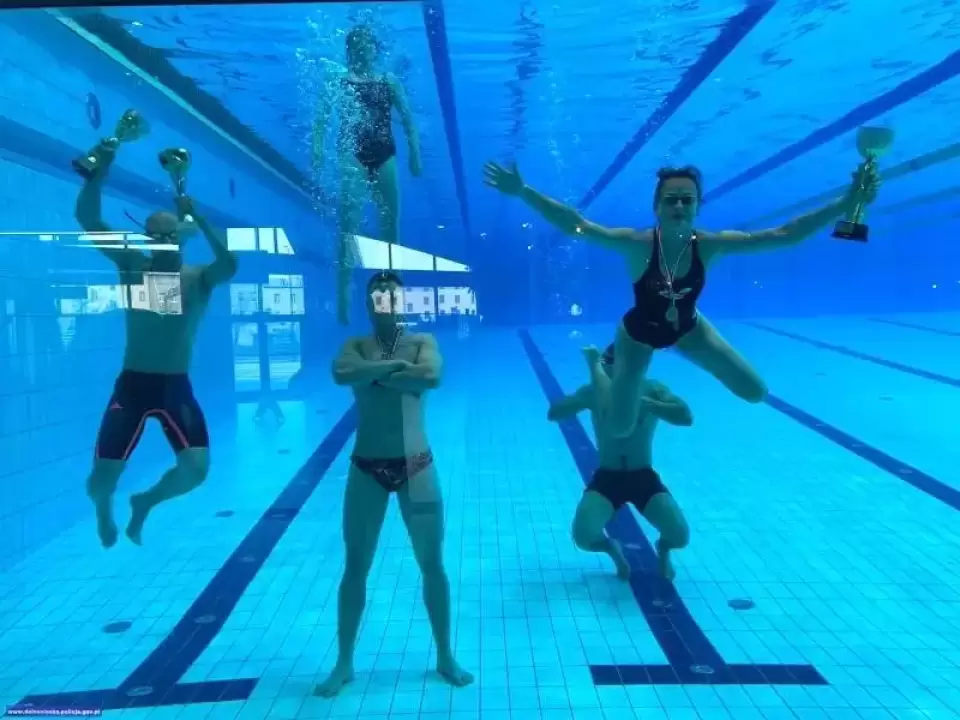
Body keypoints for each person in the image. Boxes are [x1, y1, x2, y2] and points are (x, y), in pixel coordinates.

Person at [484, 160, 880, 439]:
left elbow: (784, 236)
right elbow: (579, 226)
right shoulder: (637, 244)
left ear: (696, 207)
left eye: (686, 200)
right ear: (657, 207)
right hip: (638, 334)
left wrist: (846, 204)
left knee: (754, 391)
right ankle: (597, 381)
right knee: (619, 428)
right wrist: (524, 192)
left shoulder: (709, 245)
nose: (678, 206)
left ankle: (631, 378)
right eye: (671, 199)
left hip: (689, 327)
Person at [316, 271, 472, 697]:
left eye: (391, 294)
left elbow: (431, 377)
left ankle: (445, 655)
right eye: (377, 295)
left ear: (403, 302)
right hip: (367, 465)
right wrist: (394, 369)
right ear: (369, 304)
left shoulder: (423, 342)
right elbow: (341, 372)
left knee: (432, 564)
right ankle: (344, 662)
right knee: (356, 565)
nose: (384, 300)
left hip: (416, 465)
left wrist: (372, 375)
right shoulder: (356, 345)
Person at [75, 141, 238, 548]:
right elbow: (88, 218)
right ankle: (103, 508)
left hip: (174, 385)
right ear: (147, 238)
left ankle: (145, 501)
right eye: (156, 236)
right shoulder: (133, 265)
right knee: (100, 481)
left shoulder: (197, 278)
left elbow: (230, 264)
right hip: (133, 386)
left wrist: (200, 216)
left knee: (196, 469)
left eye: (170, 235)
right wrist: (98, 175)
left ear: (181, 238)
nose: (163, 241)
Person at [548, 343, 692, 581]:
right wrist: (585, 398)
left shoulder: (653, 390)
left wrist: (654, 405)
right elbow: (554, 414)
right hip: (608, 478)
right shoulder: (594, 392)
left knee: (679, 536)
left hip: (642, 477)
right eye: (607, 365)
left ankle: (663, 549)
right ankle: (612, 549)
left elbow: (686, 417)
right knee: (584, 536)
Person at [313, 25, 422, 326]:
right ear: (350, 51)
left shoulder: (389, 81)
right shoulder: (339, 80)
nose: (364, 49)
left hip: (385, 154)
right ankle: (343, 293)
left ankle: (394, 296)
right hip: (353, 155)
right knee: (349, 224)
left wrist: (415, 153)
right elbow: (321, 119)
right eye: (358, 44)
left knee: (391, 225)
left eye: (368, 44)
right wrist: (317, 148)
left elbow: (409, 121)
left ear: (375, 49)